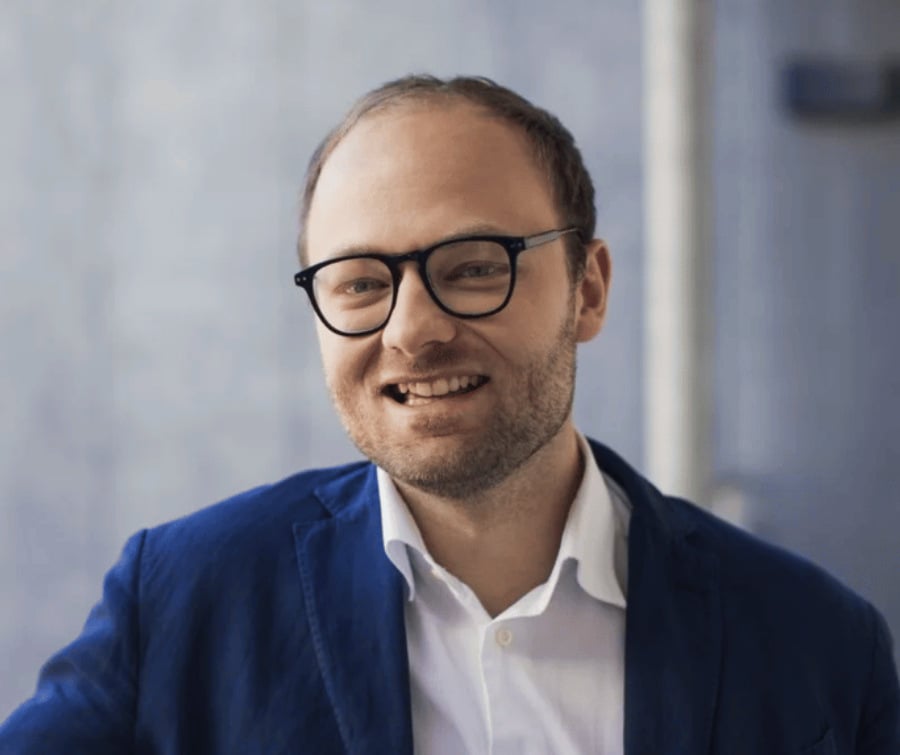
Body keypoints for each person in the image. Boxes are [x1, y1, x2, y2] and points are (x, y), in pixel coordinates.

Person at [0, 75, 897, 755]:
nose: (412, 330)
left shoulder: (816, 644)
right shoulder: (183, 603)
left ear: (587, 289)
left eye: (472, 267)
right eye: (360, 283)